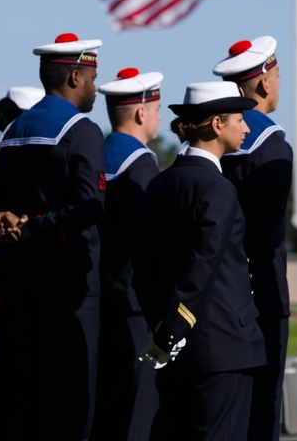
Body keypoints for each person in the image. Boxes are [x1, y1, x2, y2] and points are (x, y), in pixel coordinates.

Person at [0, 32, 106, 441]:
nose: (94, 88)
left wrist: (6, 224)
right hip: (69, 288)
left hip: (21, 285)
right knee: (70, 407)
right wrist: (33, 229)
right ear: (73, 78)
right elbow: (90, 207)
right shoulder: (82, 129)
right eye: (91, 78)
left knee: (27, 401)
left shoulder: (16, 128)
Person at [133, 81, 267, 441]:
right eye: (240, 119)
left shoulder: (161, 184)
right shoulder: (217, 188)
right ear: (217, 124)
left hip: (175, 348)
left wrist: (165, 331)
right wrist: (175, 327)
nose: (247, 127)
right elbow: (203, 265)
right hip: (223, 349)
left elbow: (143, 268)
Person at [211, 36, 292, 441]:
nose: (279, 84)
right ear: (262, 84)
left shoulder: (213, 138)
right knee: (262, 411)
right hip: (260, 294)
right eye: (277, 76)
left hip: (211, 292)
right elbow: (267, 234)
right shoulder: (271, 145)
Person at [90, 67, 164, 441]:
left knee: (106, 404)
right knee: (137, 406)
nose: (159, 116)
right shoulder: (142, 162)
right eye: (156, 108)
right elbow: (141, 239)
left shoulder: (97, 153)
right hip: (132, 302)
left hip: (95, 296)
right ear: (140, 113)